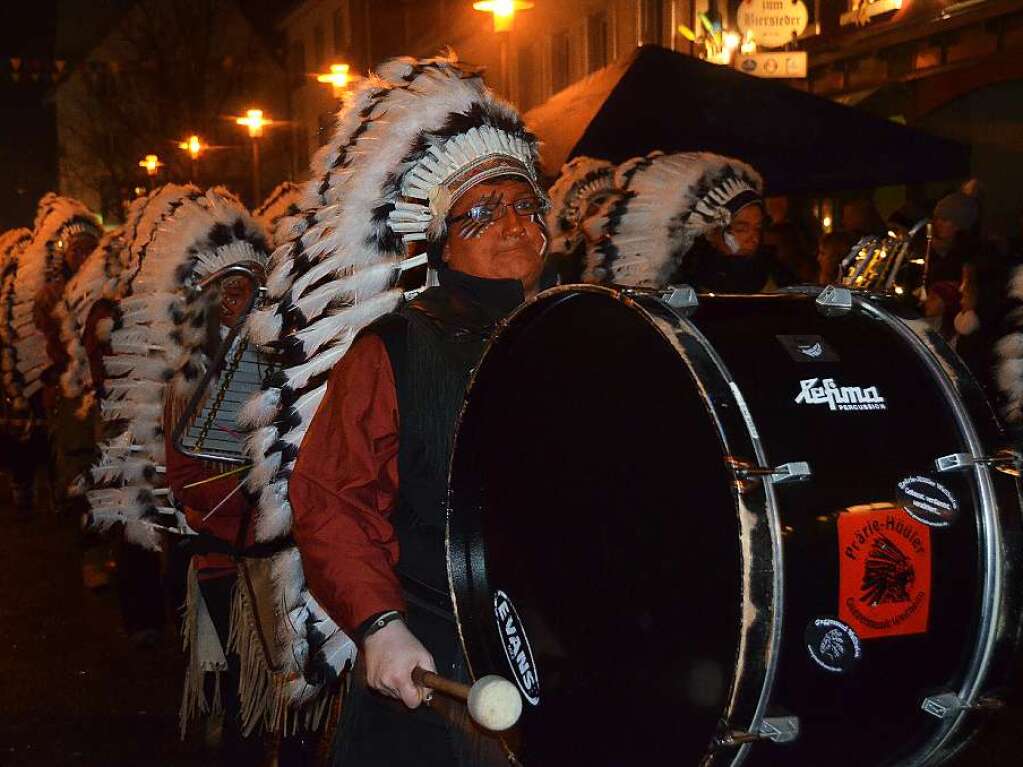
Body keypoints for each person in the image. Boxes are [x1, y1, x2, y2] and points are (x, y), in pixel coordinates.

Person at [279, 55, 549, 766]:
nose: (513, 223)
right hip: (439, 657)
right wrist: (379, 625)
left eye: (525, 204)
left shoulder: (576, 330)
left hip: (561, 649)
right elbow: (332, 500)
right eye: (484, 212)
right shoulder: (393, 346)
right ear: (438, 238)